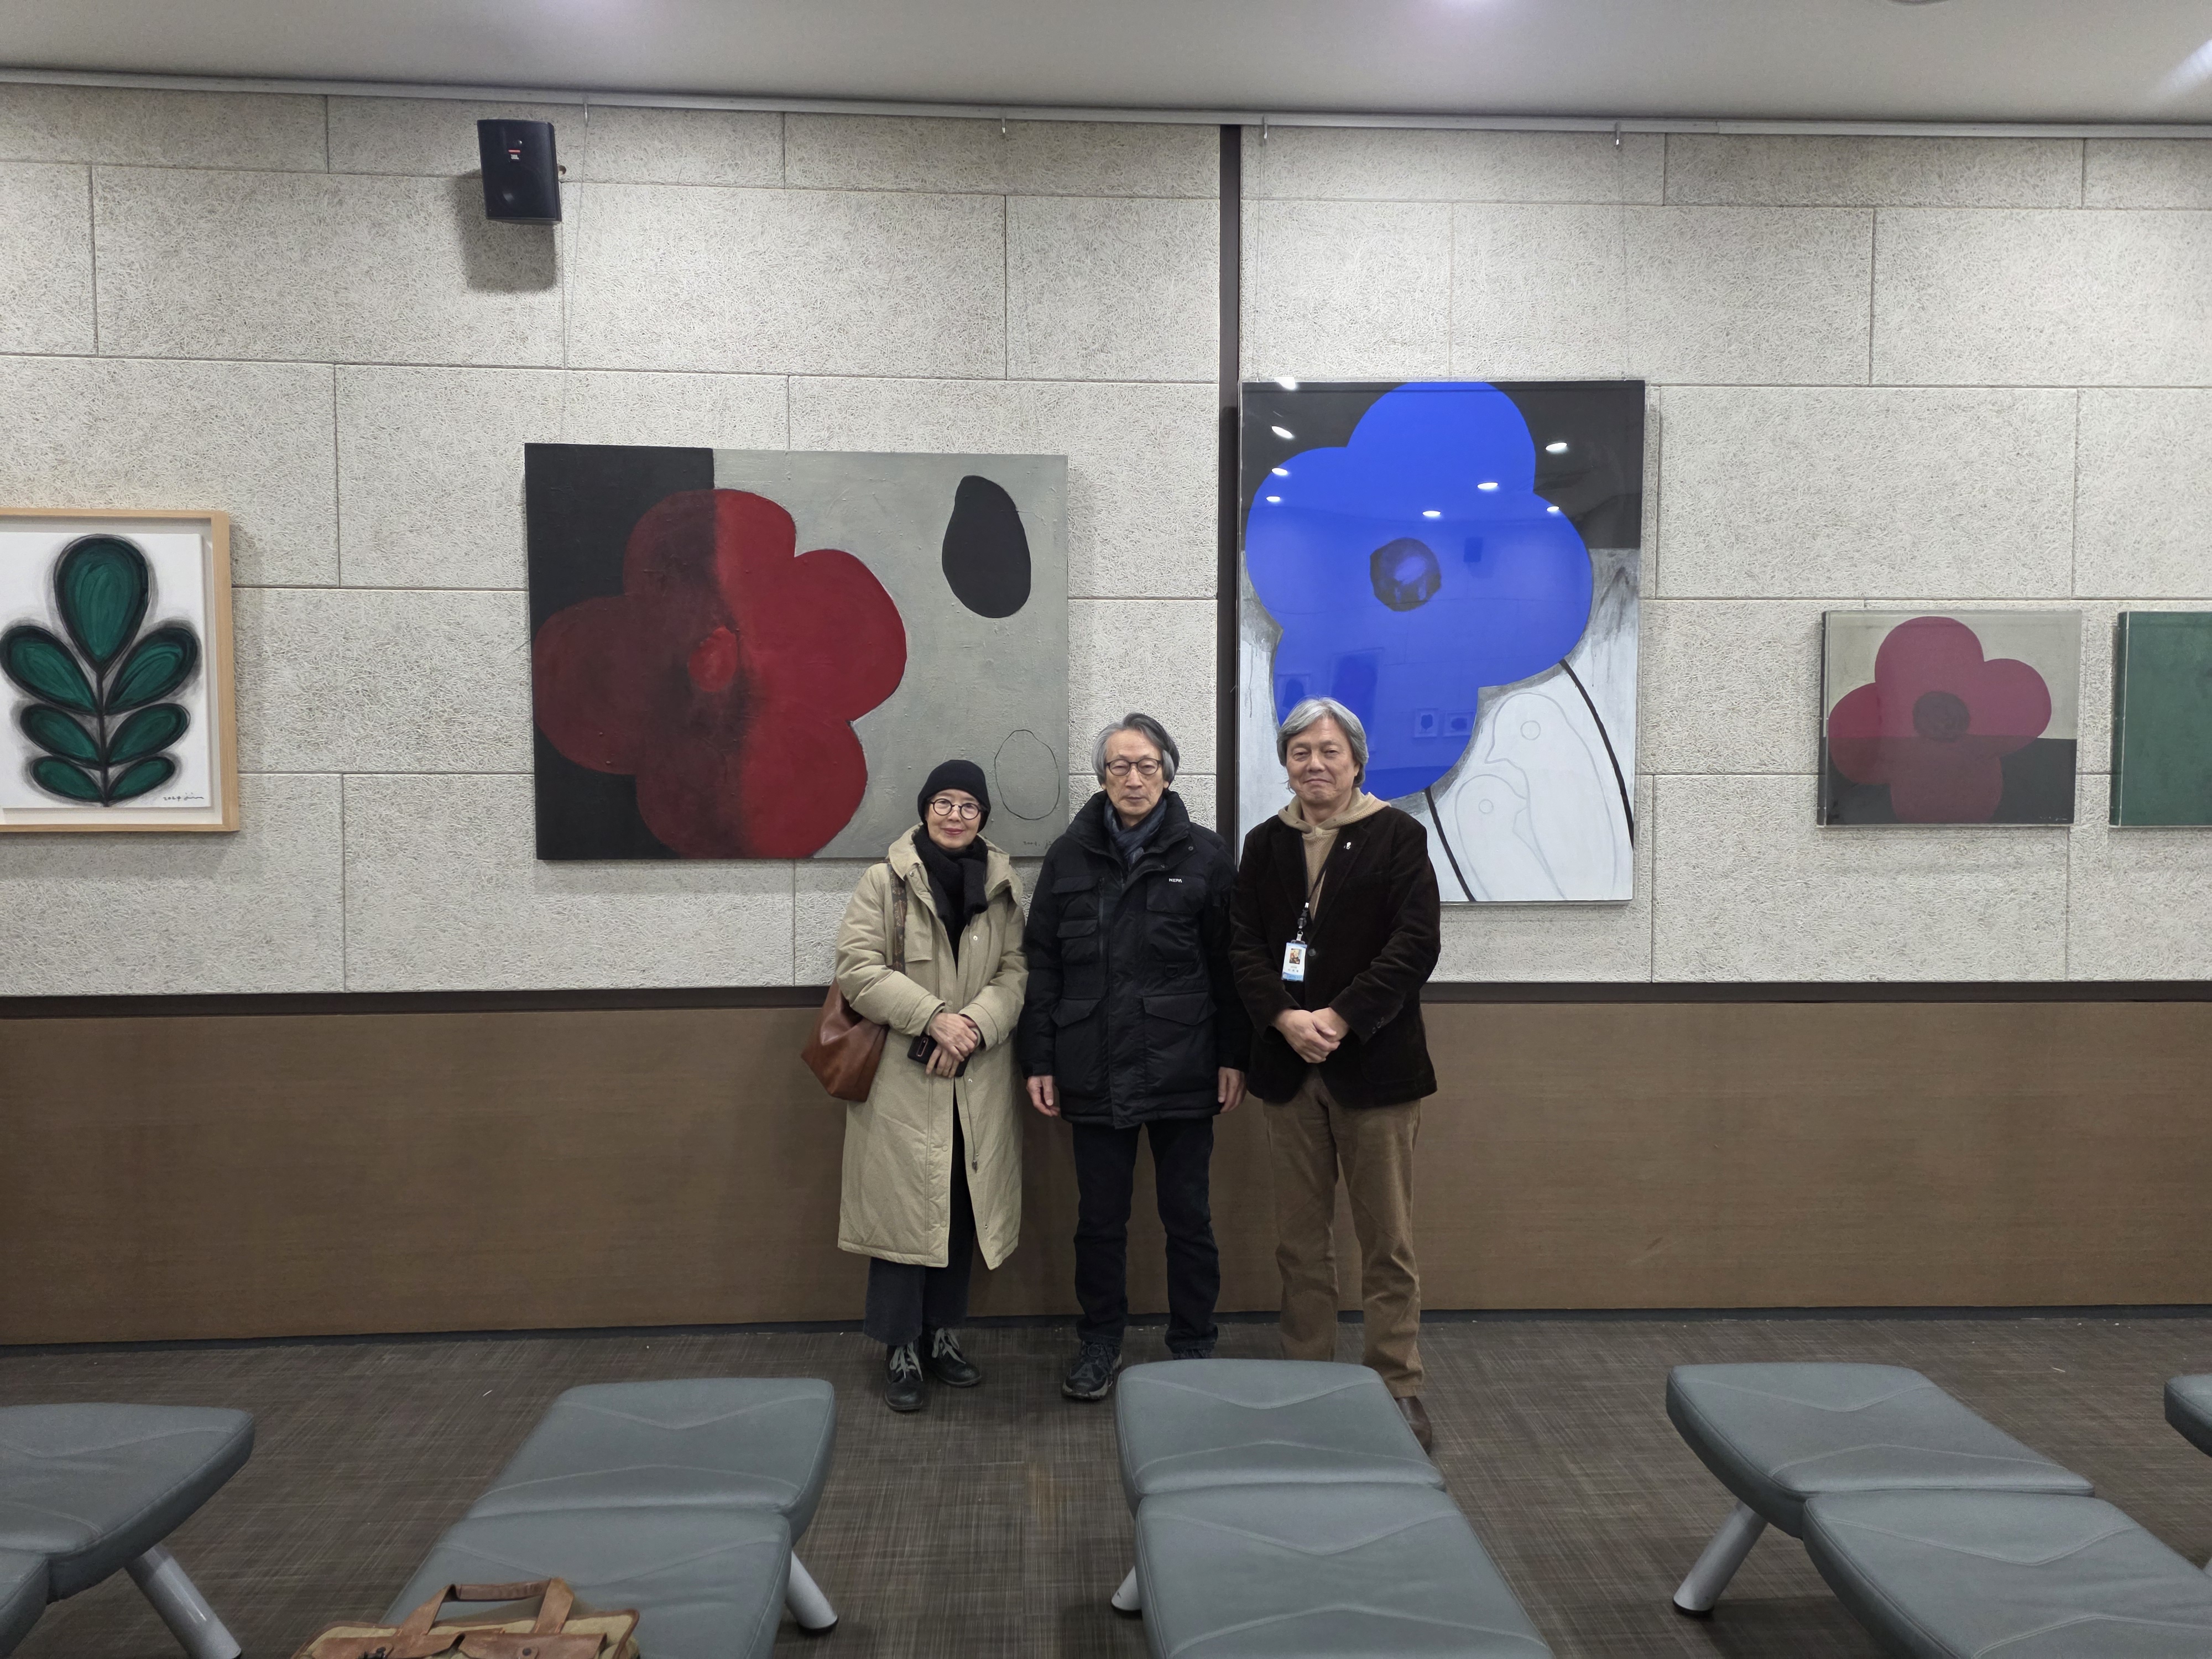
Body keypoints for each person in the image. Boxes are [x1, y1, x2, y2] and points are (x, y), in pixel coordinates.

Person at [1229, 697, 1443, 1450]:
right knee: (1300, 1242)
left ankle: (1398, 1383)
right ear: (1285, 763)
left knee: (1388, 1242)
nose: (1314, 764)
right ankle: (1308, 1378)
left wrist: (1341, 1018)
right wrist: (1286, 1020)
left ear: (1356, 760)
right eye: (1300, 753)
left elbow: (1414, 946)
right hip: (1288, 1071)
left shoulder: (1398, 837)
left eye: (1329, 751)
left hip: (1375, 1069)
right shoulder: (1264, 844)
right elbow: (1243, 948)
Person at [1020, 713, 1249, 1402]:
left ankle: (1194, 1344)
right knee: (1098, 1222)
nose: (1133, 778)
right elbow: (1042, 964)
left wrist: (1234, 1055)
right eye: (1119, 766)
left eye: (1147, 765)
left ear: (1168, 775)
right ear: (1101, 778)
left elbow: (1231, 966)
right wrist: (1039, 1060)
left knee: (1189, 1217)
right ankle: (1100, 1342)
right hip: (1090, 1063)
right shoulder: (1068, 855)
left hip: (1185, 1061)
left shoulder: (1206, 856)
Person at [832, 760, 1028, 1412]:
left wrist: (971, 1026)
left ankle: (943, 1335)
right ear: (924, 809)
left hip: (975, 1075)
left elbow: (1015, 972)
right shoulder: (884, 882)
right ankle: (900, 1347)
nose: (954, 815)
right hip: (902, 1076)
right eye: (943, 802)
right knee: (902, 1210)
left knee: (961, 1202)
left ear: (982, 817)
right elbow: (857, 969)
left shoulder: (1001, 886)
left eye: (968, 806)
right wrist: (934, 1019)